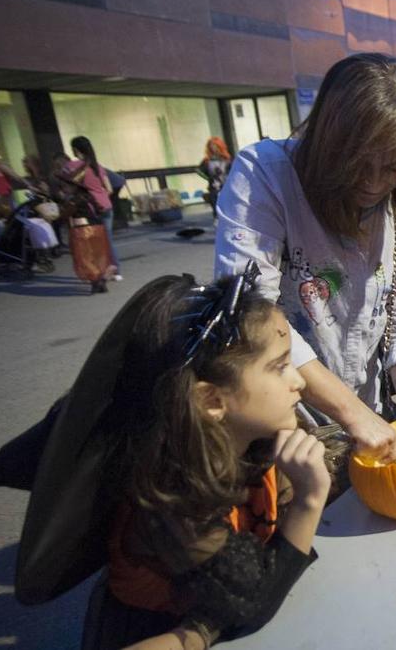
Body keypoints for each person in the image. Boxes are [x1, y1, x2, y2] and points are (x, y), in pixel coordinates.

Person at [216, 53, 396, 467]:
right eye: (358, 164)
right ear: (328, 142)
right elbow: (251, 316)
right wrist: (352, 413)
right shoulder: (265, 175)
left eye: (392, 167)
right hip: (278, 428)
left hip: (366, 418)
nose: (372, 183)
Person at [67, 270, 326, 649]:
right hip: (158, 632)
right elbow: (250, 604)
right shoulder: (174, 490)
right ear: (212, 401)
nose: (299, 381)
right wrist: (308, 501)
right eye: (278, 367)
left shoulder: (261, 440)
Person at [61, 136, 122, 281]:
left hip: (89, 208)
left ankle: (98, 272)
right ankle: (116, 270)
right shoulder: (97, 166)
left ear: (75, 150)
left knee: (93, 242)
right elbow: (109, 189)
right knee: (108, 239)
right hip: (106, 206)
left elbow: (65, 186)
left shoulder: (72, 166)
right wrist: (100, 197)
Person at [199, 137, 232, 220]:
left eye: (215, 146)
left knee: (229, 208)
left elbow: (232, 171)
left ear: (220, 146)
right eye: (211, 146)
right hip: (214, 187)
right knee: (216, 208)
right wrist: (209, 177)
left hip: (226, 186)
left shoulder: (227, 159)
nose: (213, 148)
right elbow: (199, 171)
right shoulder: (207, 160)